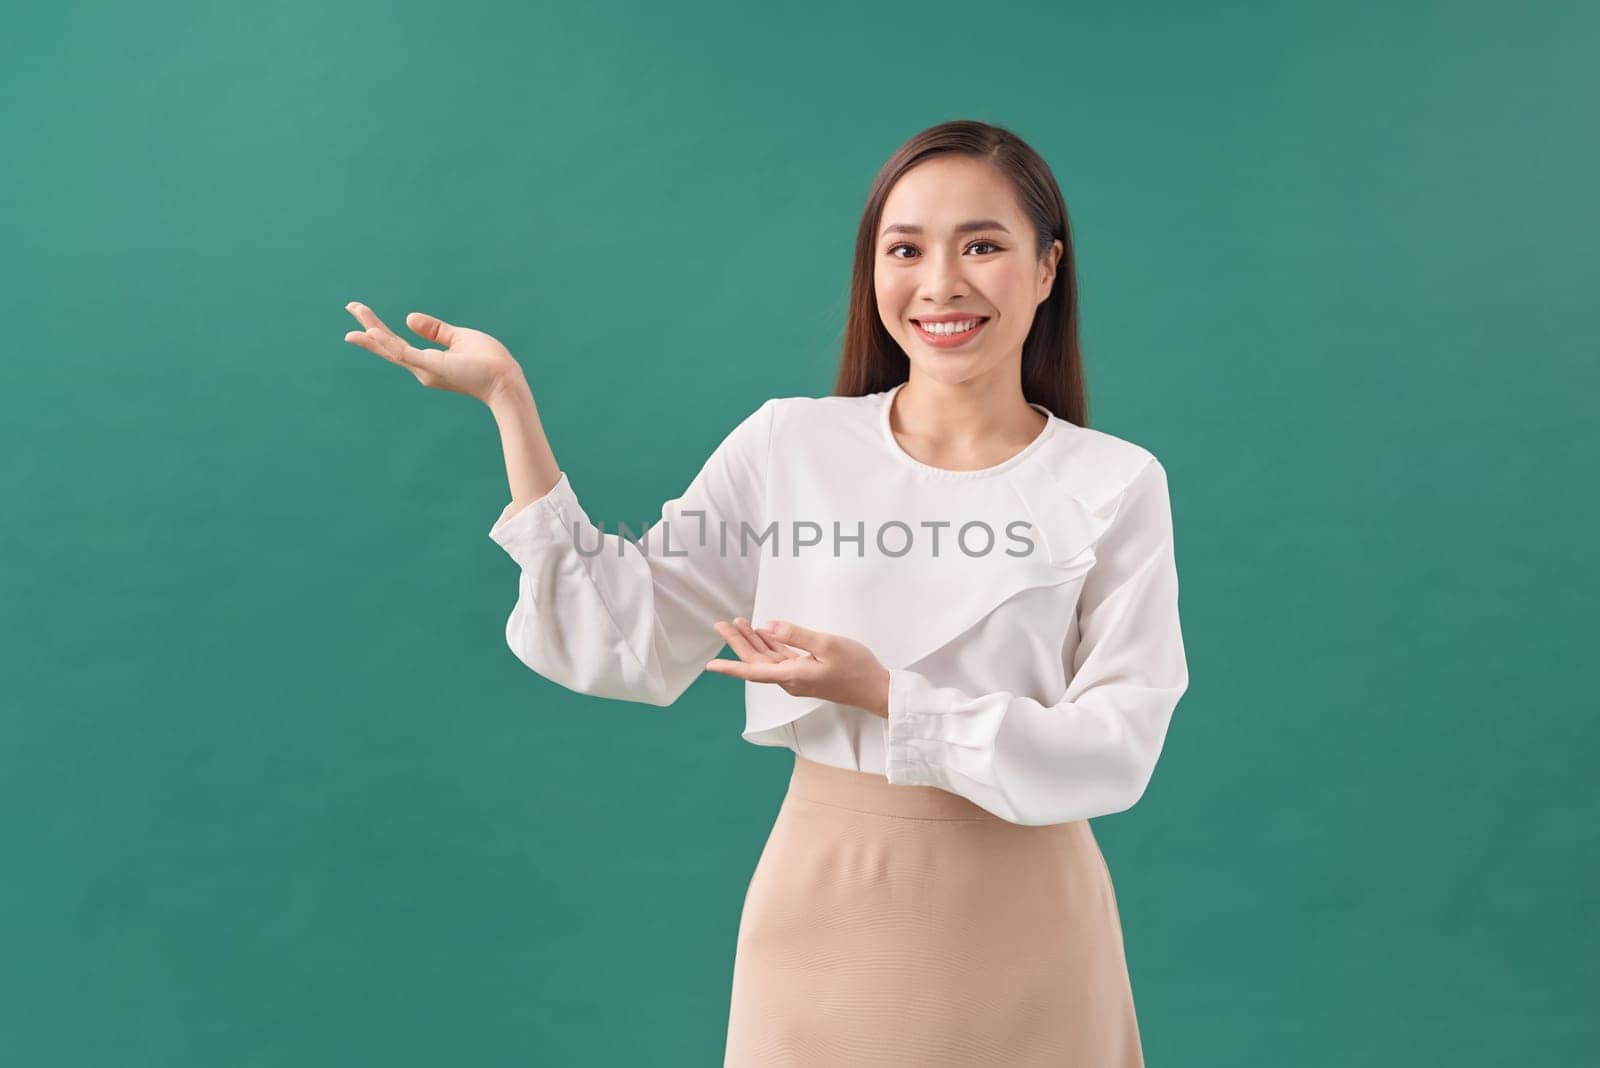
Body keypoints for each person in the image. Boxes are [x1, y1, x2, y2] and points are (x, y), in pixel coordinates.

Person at [342, 119, 1189, 1067]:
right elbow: (620, 633)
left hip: (1034, 927)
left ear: (1046, 270)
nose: (942, 282)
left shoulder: (1113, 483)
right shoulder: (791, 446)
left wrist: (888, 696)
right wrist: (509, 401)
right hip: (824, 914)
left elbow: (1117, 749)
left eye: (983, 246)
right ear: (874, 273)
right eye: (904, 249)